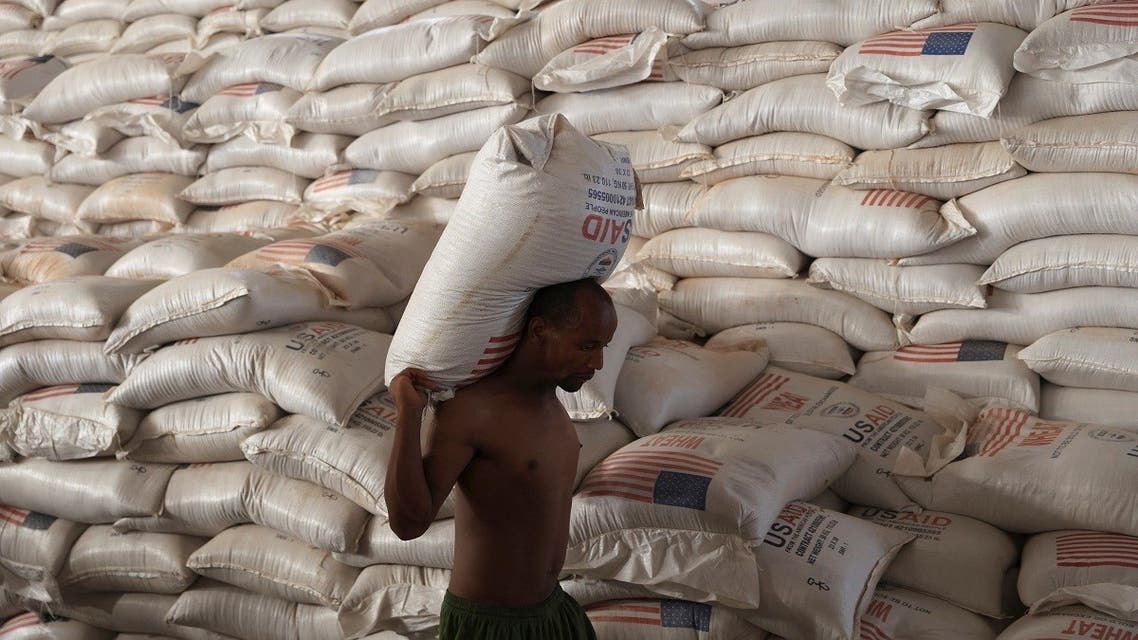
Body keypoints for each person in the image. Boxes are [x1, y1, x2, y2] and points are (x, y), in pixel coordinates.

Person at [385, 278, 618, 640]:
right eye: (586, 346)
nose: (598, 362)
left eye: (603, 347)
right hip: (490, 626)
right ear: (540, 330)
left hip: (552, 611)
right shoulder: (473, 410)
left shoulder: (554, 405)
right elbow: (408, 523)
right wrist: (408, 415)